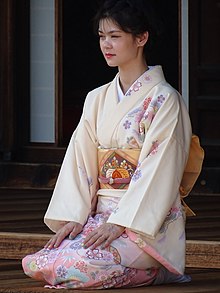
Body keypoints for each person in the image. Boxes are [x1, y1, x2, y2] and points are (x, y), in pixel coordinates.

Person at [22, 0, 201, 289]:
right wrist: (74, 217)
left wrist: (120, 223)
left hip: (144, 224)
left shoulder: (165, 100)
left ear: (141, 38)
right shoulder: (97, 98)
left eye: (116, 36)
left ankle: (156, 269)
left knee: (78, 265)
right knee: (40, 262)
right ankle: (124, 267)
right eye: (102, 36)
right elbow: (80, 160)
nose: (107, 44)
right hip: (101, 215)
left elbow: (160, 168)